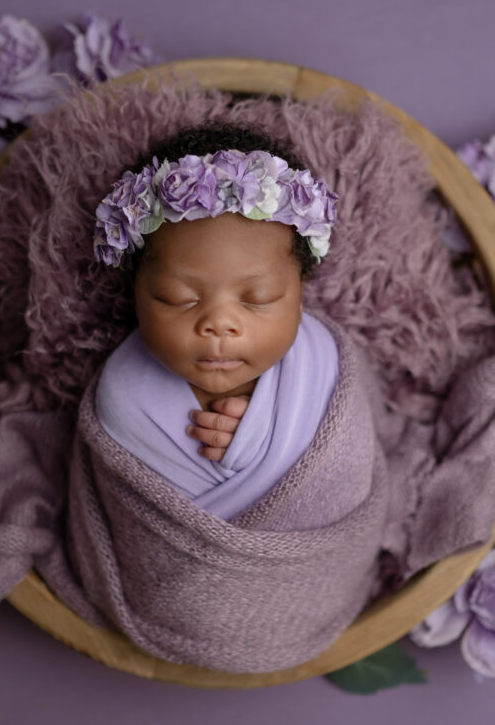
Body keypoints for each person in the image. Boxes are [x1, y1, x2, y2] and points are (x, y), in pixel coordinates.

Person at [93, 123, 342, 518]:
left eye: (259, 299)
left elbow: (348, 465)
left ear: (301, 291)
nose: (219, 324)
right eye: (178, 298)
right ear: (134, 290)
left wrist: (264, 438)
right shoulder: (125, 395)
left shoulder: (323, 363)